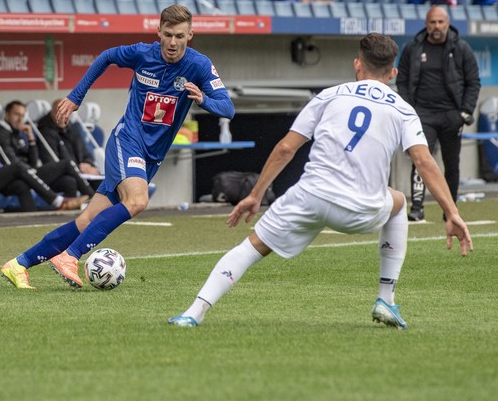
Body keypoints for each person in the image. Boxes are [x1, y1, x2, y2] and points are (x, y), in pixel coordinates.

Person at [167, 33, 473, 329]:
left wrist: (255, 194)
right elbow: (424, 162)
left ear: (357, 64)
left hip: (311, 197)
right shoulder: (403, 109)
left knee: (251, 247)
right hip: (362, 209)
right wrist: (453, 213)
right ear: (393, 72)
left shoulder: (329, 96)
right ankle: (385, 298)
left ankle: (193, 313)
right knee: (399, 202)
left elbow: (286, 148)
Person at [0, 4, 235, 289]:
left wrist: (203, 100)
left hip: (152, 155)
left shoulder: (198, 65)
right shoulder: (141, 54)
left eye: (180, 36)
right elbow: (107, 56)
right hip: (128, 140)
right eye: (169, 35)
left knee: (87, 221)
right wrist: (76, 96)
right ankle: (70, 256)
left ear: (191, 35)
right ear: (158, 32)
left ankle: (18, 264)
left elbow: (228, 108)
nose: (173, 43)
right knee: (137, 201)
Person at [397, 6, 480, 221]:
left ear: (447, 23)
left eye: (440, 22)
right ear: (426, 23)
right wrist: (409, 111)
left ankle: (449, 211)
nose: (436, 27)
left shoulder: (462, 49)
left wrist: (465, 112)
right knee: (421, 160)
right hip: (422, 115)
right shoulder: (412, 49)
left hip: (451, 115)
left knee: (452, 164)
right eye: (432, 22)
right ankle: (417, 208)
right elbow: (402, 82)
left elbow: (473, 83)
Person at [0, 100, 94, 201]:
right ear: (6, 114)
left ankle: (73, 215)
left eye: (22, 116)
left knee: (69, 181)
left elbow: (33, 162)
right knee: (67, 164)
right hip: (20, 174)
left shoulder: (19, 133)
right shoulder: (0, 132)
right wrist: (29, 170)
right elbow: (11, 161)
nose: (20, 119)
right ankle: (92, 198)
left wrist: (31, 140)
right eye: (16, 115)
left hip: (29, 172)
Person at [37, 99, 101, 176]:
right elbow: (51, 161)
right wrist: (79, 168)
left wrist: (88, 163)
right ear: (51, 113)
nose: (62, 117)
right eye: (58, 113)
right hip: (66, 174)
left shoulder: (73, 130)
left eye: (66, 113)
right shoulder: (46, 132)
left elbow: (86, 153)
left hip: (81, 173)